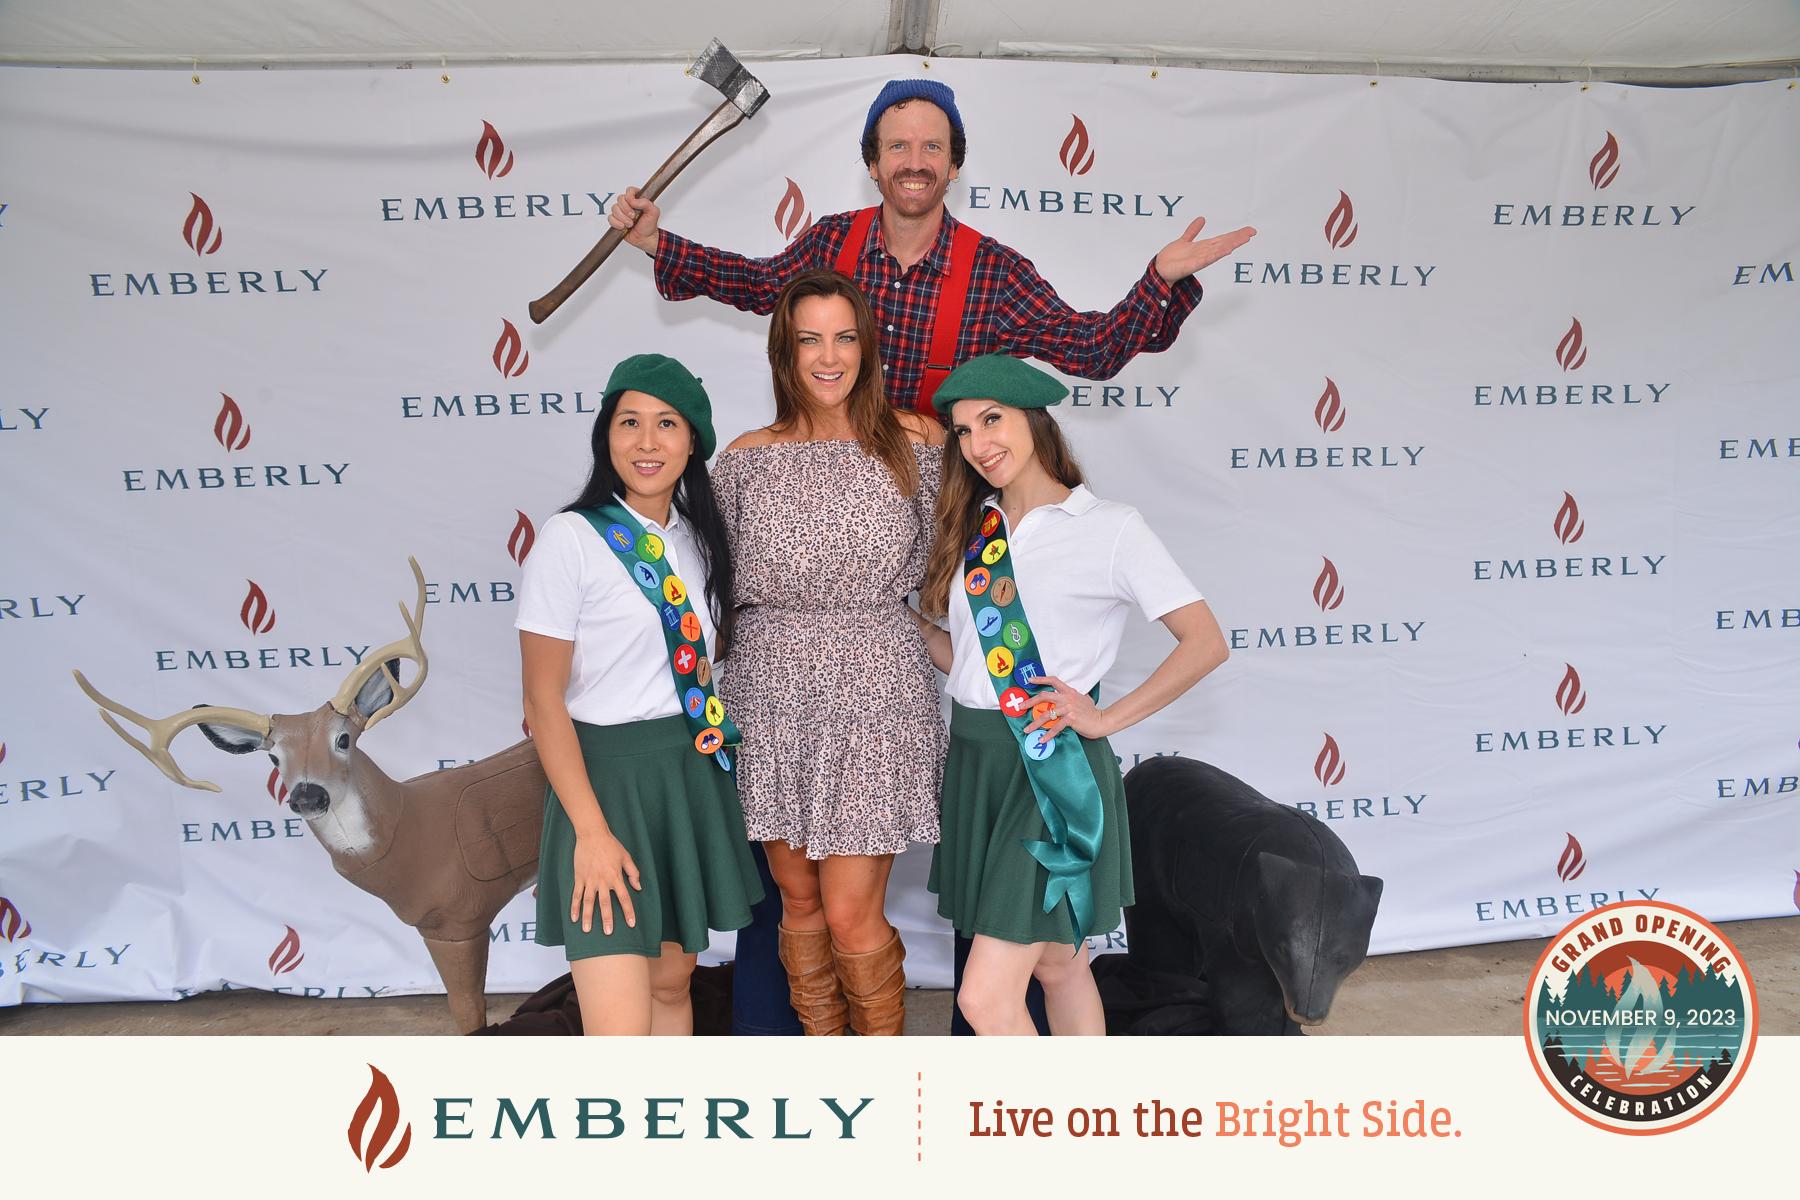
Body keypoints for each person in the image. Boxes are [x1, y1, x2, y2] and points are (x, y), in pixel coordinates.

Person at [608, 78, 1255, 413]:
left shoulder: (996, 273)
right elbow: (754, 283)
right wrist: (654, 241)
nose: (913, 162)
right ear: (872, 163)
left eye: (932, 148)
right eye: (897, 146)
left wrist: (1159, 280)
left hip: (942, 513)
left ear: (953, 167)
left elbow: (1091, 351)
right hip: (835, 492)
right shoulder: (831, 241)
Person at [913, 353, 1230, 1035]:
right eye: (963, 431)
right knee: (1060, 965)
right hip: (977, 766)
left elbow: (1205, 641)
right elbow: (970, 662)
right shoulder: (979, 529)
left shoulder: (1109, 527)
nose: (979, 444)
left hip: (1046, 773)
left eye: (992, 420)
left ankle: (1042, 1133)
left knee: (983, 1000)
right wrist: (900, 625)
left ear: (1034, 419)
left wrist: (1103, 717)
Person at [710, 269, 947, 1035]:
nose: (828, 356)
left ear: (867, 347)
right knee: (798, 899)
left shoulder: (918, 445)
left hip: (875, 692)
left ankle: (886, 1087)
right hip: (768, 692)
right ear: (784, 351)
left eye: (844, 337)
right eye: (809, 338)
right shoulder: (744, 459)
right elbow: (706, 586)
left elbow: (959, 567)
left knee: (850, 912)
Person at [517, 353, 764, 1036]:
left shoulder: (696, 540)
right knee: (618, 1026)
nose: (647, 442)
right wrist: (591, 833)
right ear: (606, 436)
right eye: (629, 422)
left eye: (666, 424)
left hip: (685, 778)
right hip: (604, 786)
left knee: (669, 986)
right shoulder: (570, 539)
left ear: (693, 442)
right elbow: (543, 701)